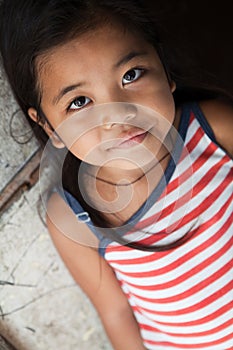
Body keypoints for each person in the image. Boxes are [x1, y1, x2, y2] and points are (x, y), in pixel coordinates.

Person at [0, 1, 232, 349]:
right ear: (51, 127)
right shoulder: (74, 218)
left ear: (164, 68)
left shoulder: (214, 127)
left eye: (131, 75)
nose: (117, 115)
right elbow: (116, 314)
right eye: (79, 102)